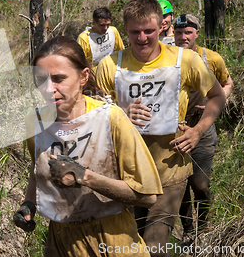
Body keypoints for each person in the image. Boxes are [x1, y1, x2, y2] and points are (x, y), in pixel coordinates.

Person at [95, 0, 226, 257]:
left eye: (149, 31)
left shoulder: (185, 60)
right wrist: (120, 114)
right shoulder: (110, 65)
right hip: (126, 175)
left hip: (170, 169)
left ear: (161, 27)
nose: (142, 38)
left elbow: (217, 95)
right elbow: (94, 115)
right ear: (125, 30)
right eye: (135, 32)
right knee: (129, 247)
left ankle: (194, 230)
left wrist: (198, 131)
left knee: (155, 246)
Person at [13, 36, 163, 257]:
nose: (48, 89)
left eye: (58, 79)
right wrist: (29, 204)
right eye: (41, 79)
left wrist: (85, 176)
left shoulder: (110, 119)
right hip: (61, 243)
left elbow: (147, 196)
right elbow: (38, 170)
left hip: (113, 240)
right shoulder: (34, 122)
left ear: (83, 76)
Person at [173, 14, 233, 241]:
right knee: (180, 185)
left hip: (203, 129)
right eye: (178, 33)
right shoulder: (167, 56)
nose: (182, 37)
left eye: (188, 32)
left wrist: (213, 102)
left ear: (197, 33)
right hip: (175, 130)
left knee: (200, 183)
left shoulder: (211, 58)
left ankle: (204, 225)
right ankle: (188, 230)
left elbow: (227, 83)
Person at [77, 7, 125, 73]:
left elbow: (122, 51)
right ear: (94, 22)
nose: (105, 28)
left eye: (108, 24)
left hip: (111, 68)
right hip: (94, 72)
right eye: (102, 25)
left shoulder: (113, 31)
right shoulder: (84, 38)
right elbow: (80, 62)